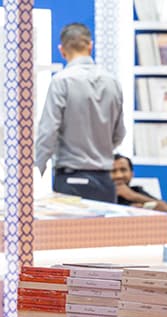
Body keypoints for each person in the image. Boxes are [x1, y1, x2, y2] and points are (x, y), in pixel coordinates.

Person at [35, 22, 125, 203]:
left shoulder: (61, 81)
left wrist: (36, 172)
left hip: (71, 179)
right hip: (105, 181)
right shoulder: (112, 81)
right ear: (90, 45)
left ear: (62, 50)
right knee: (104, 231)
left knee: (69, 231)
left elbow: (48, 131)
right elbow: (119, 133)